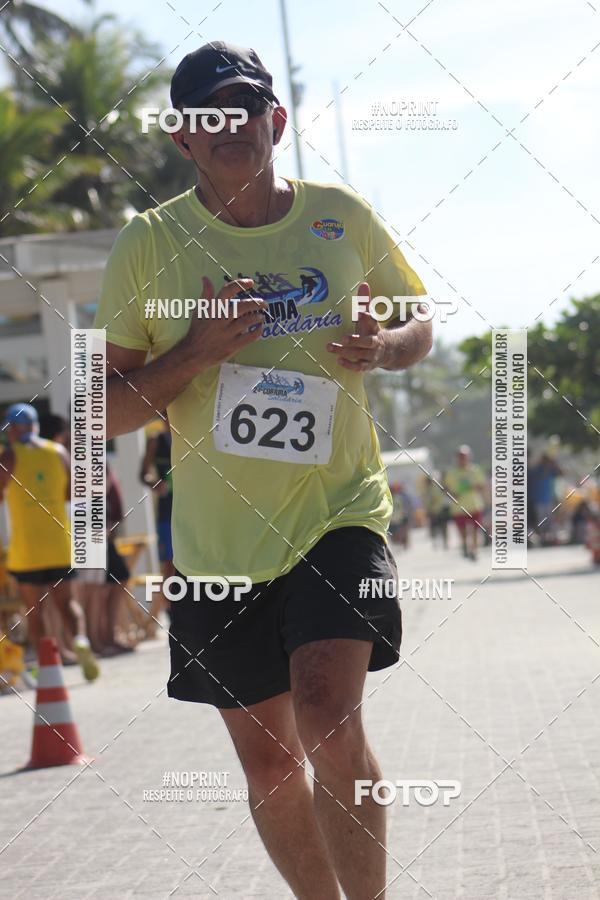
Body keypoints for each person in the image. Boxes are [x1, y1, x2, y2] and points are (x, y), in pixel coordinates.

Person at [95, 41, 432, 899]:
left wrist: (386, 346)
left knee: (325, 714)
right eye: (208, 113)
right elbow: (110, 406)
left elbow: (415, 320)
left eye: (245, 108)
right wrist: (197, 352)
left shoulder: (339, 217)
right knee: (272, 764)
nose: (230, 126)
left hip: (338, 510)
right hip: (218, 548)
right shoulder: (150, 245)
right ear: (181, 136)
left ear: (275, 121)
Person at [0, 403, 99, 680]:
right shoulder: (58, 452)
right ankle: (80, 640)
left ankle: (49, 668)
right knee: (68, 604)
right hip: (59, 543)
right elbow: (71, 493)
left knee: (35, 612)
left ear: (11, 429)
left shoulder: (8, 457)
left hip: (28, 549)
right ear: (35, 427)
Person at [139, 416, 174, 633]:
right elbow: (143, 473)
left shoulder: (194, 434)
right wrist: (155, 483)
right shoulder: (156, 439)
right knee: (169, 566)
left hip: (194, 508)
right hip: (167, 512)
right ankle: (173, 613)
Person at [445, 445, 486, 560]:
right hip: (458, 507)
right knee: (462, 531)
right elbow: (446, 488)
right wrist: (452, 494)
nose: (462, 459)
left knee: (475, 530)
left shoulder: (475, 470)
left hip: (474, 505)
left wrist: (473, 487)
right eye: (460, 456)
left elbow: (482, 485)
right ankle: (464, 545)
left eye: (464, 456)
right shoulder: (451, 472)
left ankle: (474, 550)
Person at [530, 452, 562, 546]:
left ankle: (550, 538)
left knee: (550, 520)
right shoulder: (536, 470)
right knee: (541, 520)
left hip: (549, 499)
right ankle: (542, 538)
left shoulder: (551, 470)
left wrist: (554, 464)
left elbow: (561, 473)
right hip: (538, 500)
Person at [423, 471, 450, 549]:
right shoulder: (428, 490)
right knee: (436, 527)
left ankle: (444, 542)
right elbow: (427, 501)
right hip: (434, 511)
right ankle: (438, 542)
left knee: (443, 527)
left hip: (439, 510)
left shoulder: (437, 488)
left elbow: (439, 499)